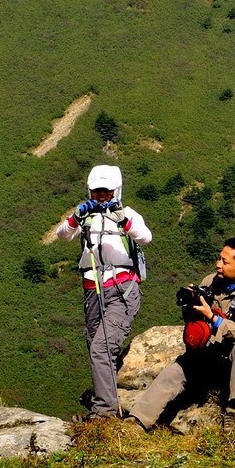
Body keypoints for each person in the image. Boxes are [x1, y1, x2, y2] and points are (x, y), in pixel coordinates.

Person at [126, 236, 235, 430]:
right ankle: (136, 420)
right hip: (212, 353)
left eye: (224, 261)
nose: (218, 264)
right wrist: (191, 306)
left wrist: (214, 319)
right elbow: (197, 323)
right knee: (175, 371)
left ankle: (233, 410)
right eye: (219, 258)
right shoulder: (211, 281)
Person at [53, 164, 152, 419]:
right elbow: (62, 235)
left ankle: (104, 413)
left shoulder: (127, 215)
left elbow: (145, 237)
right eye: (97, 192)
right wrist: (76, 217)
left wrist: (122, 219)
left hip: (122, 291)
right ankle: (107, 403)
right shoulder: (86, 217)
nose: (101, 197)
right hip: (93, 291)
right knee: (95, 347)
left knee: (102, 348)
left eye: (106, 193)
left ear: (116, 192)